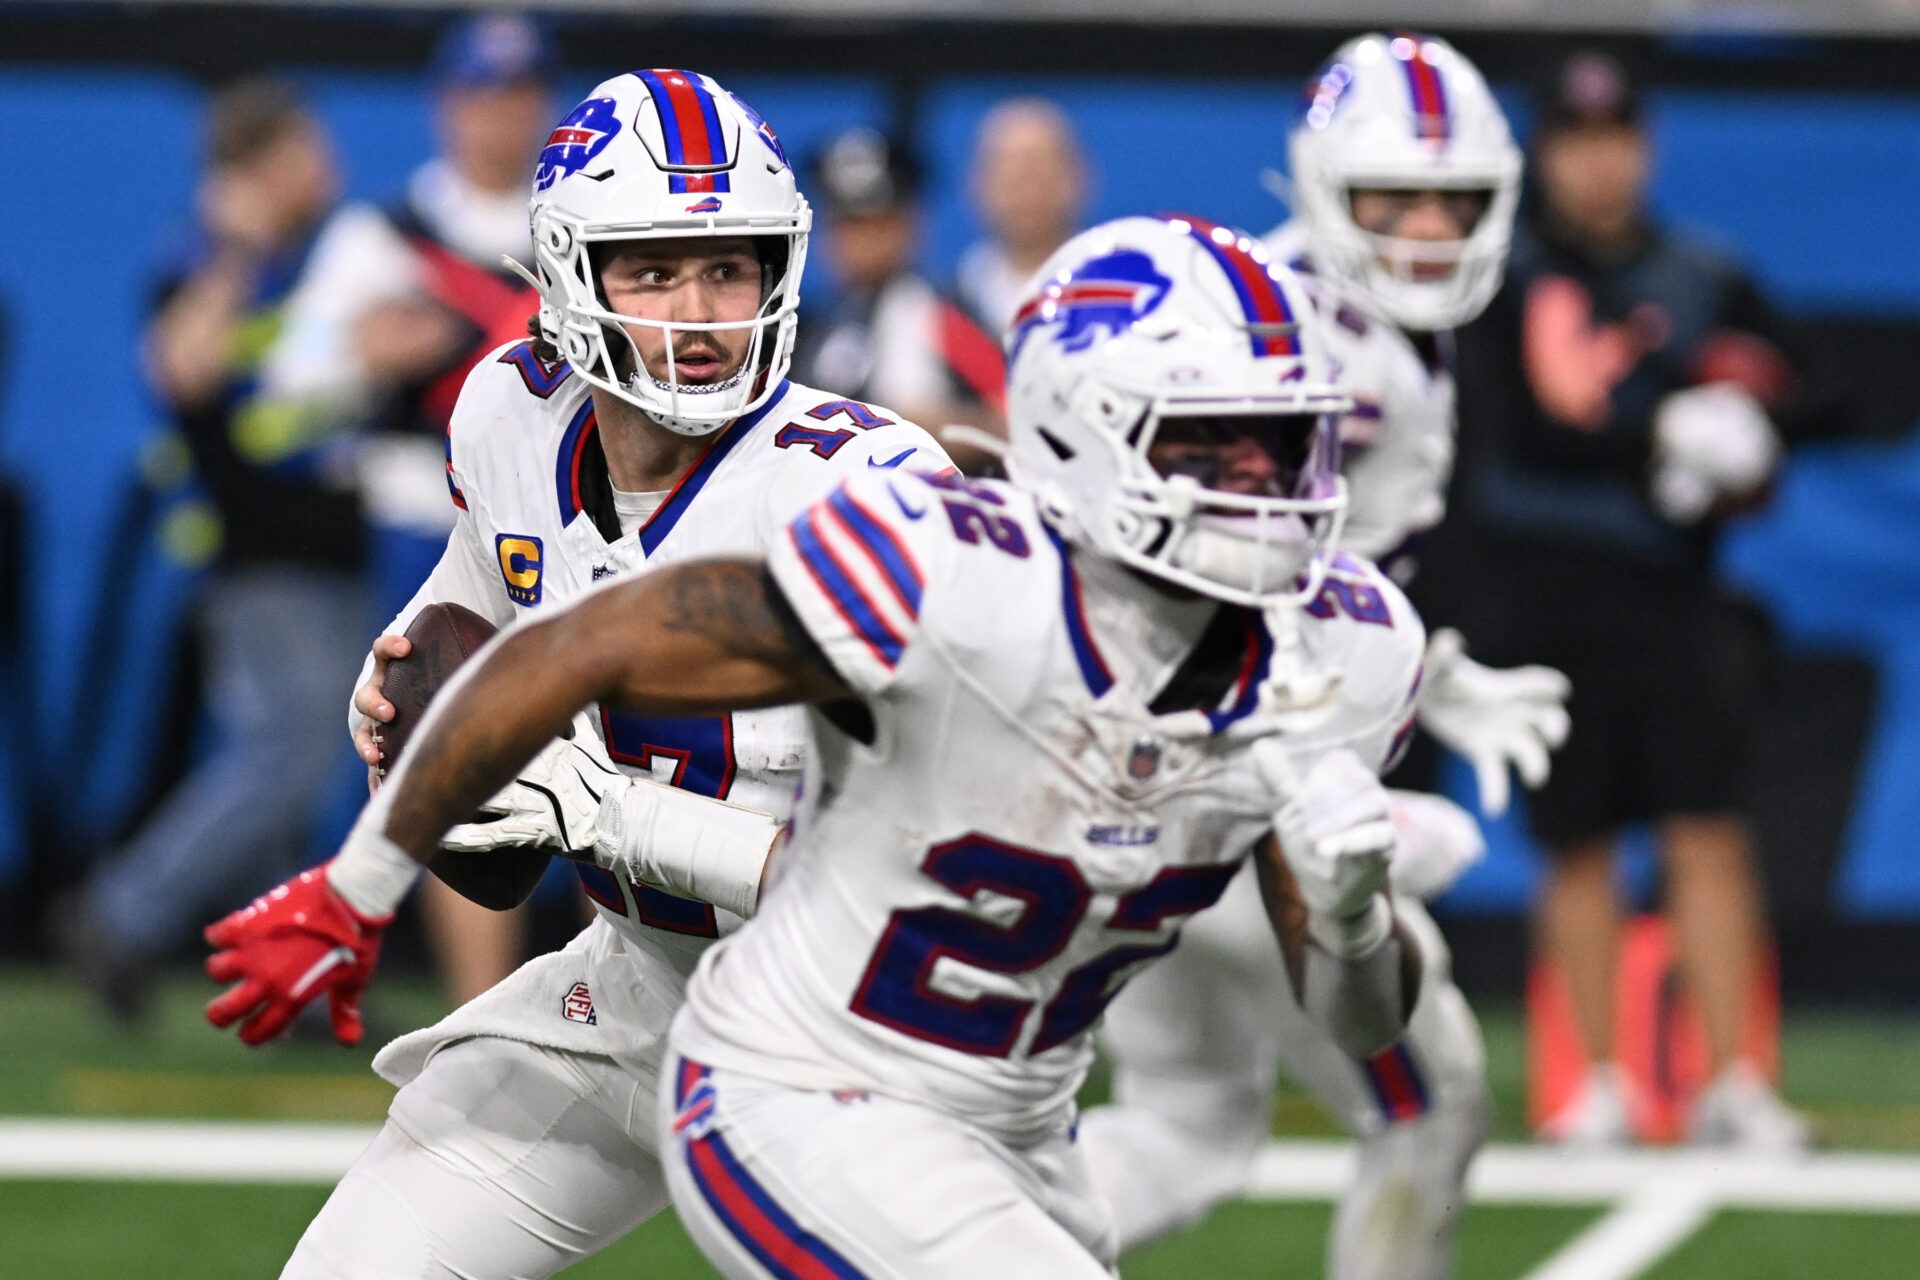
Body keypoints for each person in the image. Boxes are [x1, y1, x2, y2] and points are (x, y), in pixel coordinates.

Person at [206, 210, 1431, 1279]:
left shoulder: (1338, 649)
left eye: (1282, 443)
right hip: (671, 1004)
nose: (1260, 488)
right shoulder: (933, 569)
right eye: (1208, 443)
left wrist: (1356, 909)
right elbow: (528, 624)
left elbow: (1354, 1009)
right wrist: (398, 773)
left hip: (950, 1089)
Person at [208, 69, 948, 1278]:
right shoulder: (511, 413)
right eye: (652, 270)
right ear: (564, 275)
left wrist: (614, 815)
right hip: (639, 993)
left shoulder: (869, 495)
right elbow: (478, 585)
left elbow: (924, 889)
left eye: (729, 266)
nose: (701, 310)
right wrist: (406, 673)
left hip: (873, 1040)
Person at [1080, 34, 1568, 1280]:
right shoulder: (1305, 352)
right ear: (1316, 187)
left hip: (1139, 786)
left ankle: (929, 1250)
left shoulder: (1312, 313)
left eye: (1450, 198)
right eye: (1390, 199)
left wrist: (1432, 674)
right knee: (1432, 1105)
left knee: (1184, 1128)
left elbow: (1311, 573)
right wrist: (1347, 786)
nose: (1423, 227)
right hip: (1244, 803)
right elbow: (1206, 593)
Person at [1439, 50, 1815, 1149]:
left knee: (1708, 829)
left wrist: (1751, 424)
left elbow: (1816, 381)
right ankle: (1593, 1080)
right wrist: (1657, 434)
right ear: (1544, 154)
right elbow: (1520, 433)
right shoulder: (1502, 279)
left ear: (1641, 149)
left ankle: (1735, 1078)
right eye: (1575, 141)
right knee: (1579, 841)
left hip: (1673, 591)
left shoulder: (1701, 270)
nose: (1598, 164)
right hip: (1547, 591)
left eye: (1615, 140)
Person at [256, 12, 558, 1001]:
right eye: (483, 95)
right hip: (421, 526)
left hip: (566, 526)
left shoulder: (573, 228)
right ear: (448, 106)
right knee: (448, 755)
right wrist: (364, 357)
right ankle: (473, 1004)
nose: (501, 117)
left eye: (519, 95)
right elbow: (284, 398)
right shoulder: (384, 237)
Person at [59, 79, 367, 1023]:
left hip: (319, 550)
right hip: (262, 562)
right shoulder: (210, 259)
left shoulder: (322, 255)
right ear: (255, 168)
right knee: (282, 758)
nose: (327, 169)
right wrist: (235, 243)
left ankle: (301, 986)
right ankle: (120, 914)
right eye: (304, 153)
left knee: (293, 775)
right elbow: (182, 368)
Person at [792, 126, 1005, 467]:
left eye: (877, 223)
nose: (861, 242)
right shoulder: (807, 326)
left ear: (911, 223)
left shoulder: (945, 317)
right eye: (847, 224)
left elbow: (1011, 420)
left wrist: (907, 426)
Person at [955, 97, 1089, 334]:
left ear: (1078, 178)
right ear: (976, 183)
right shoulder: (935, 314)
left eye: (1039, 168)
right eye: (1010, 170)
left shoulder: (1120, 299)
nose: (1026, 188)